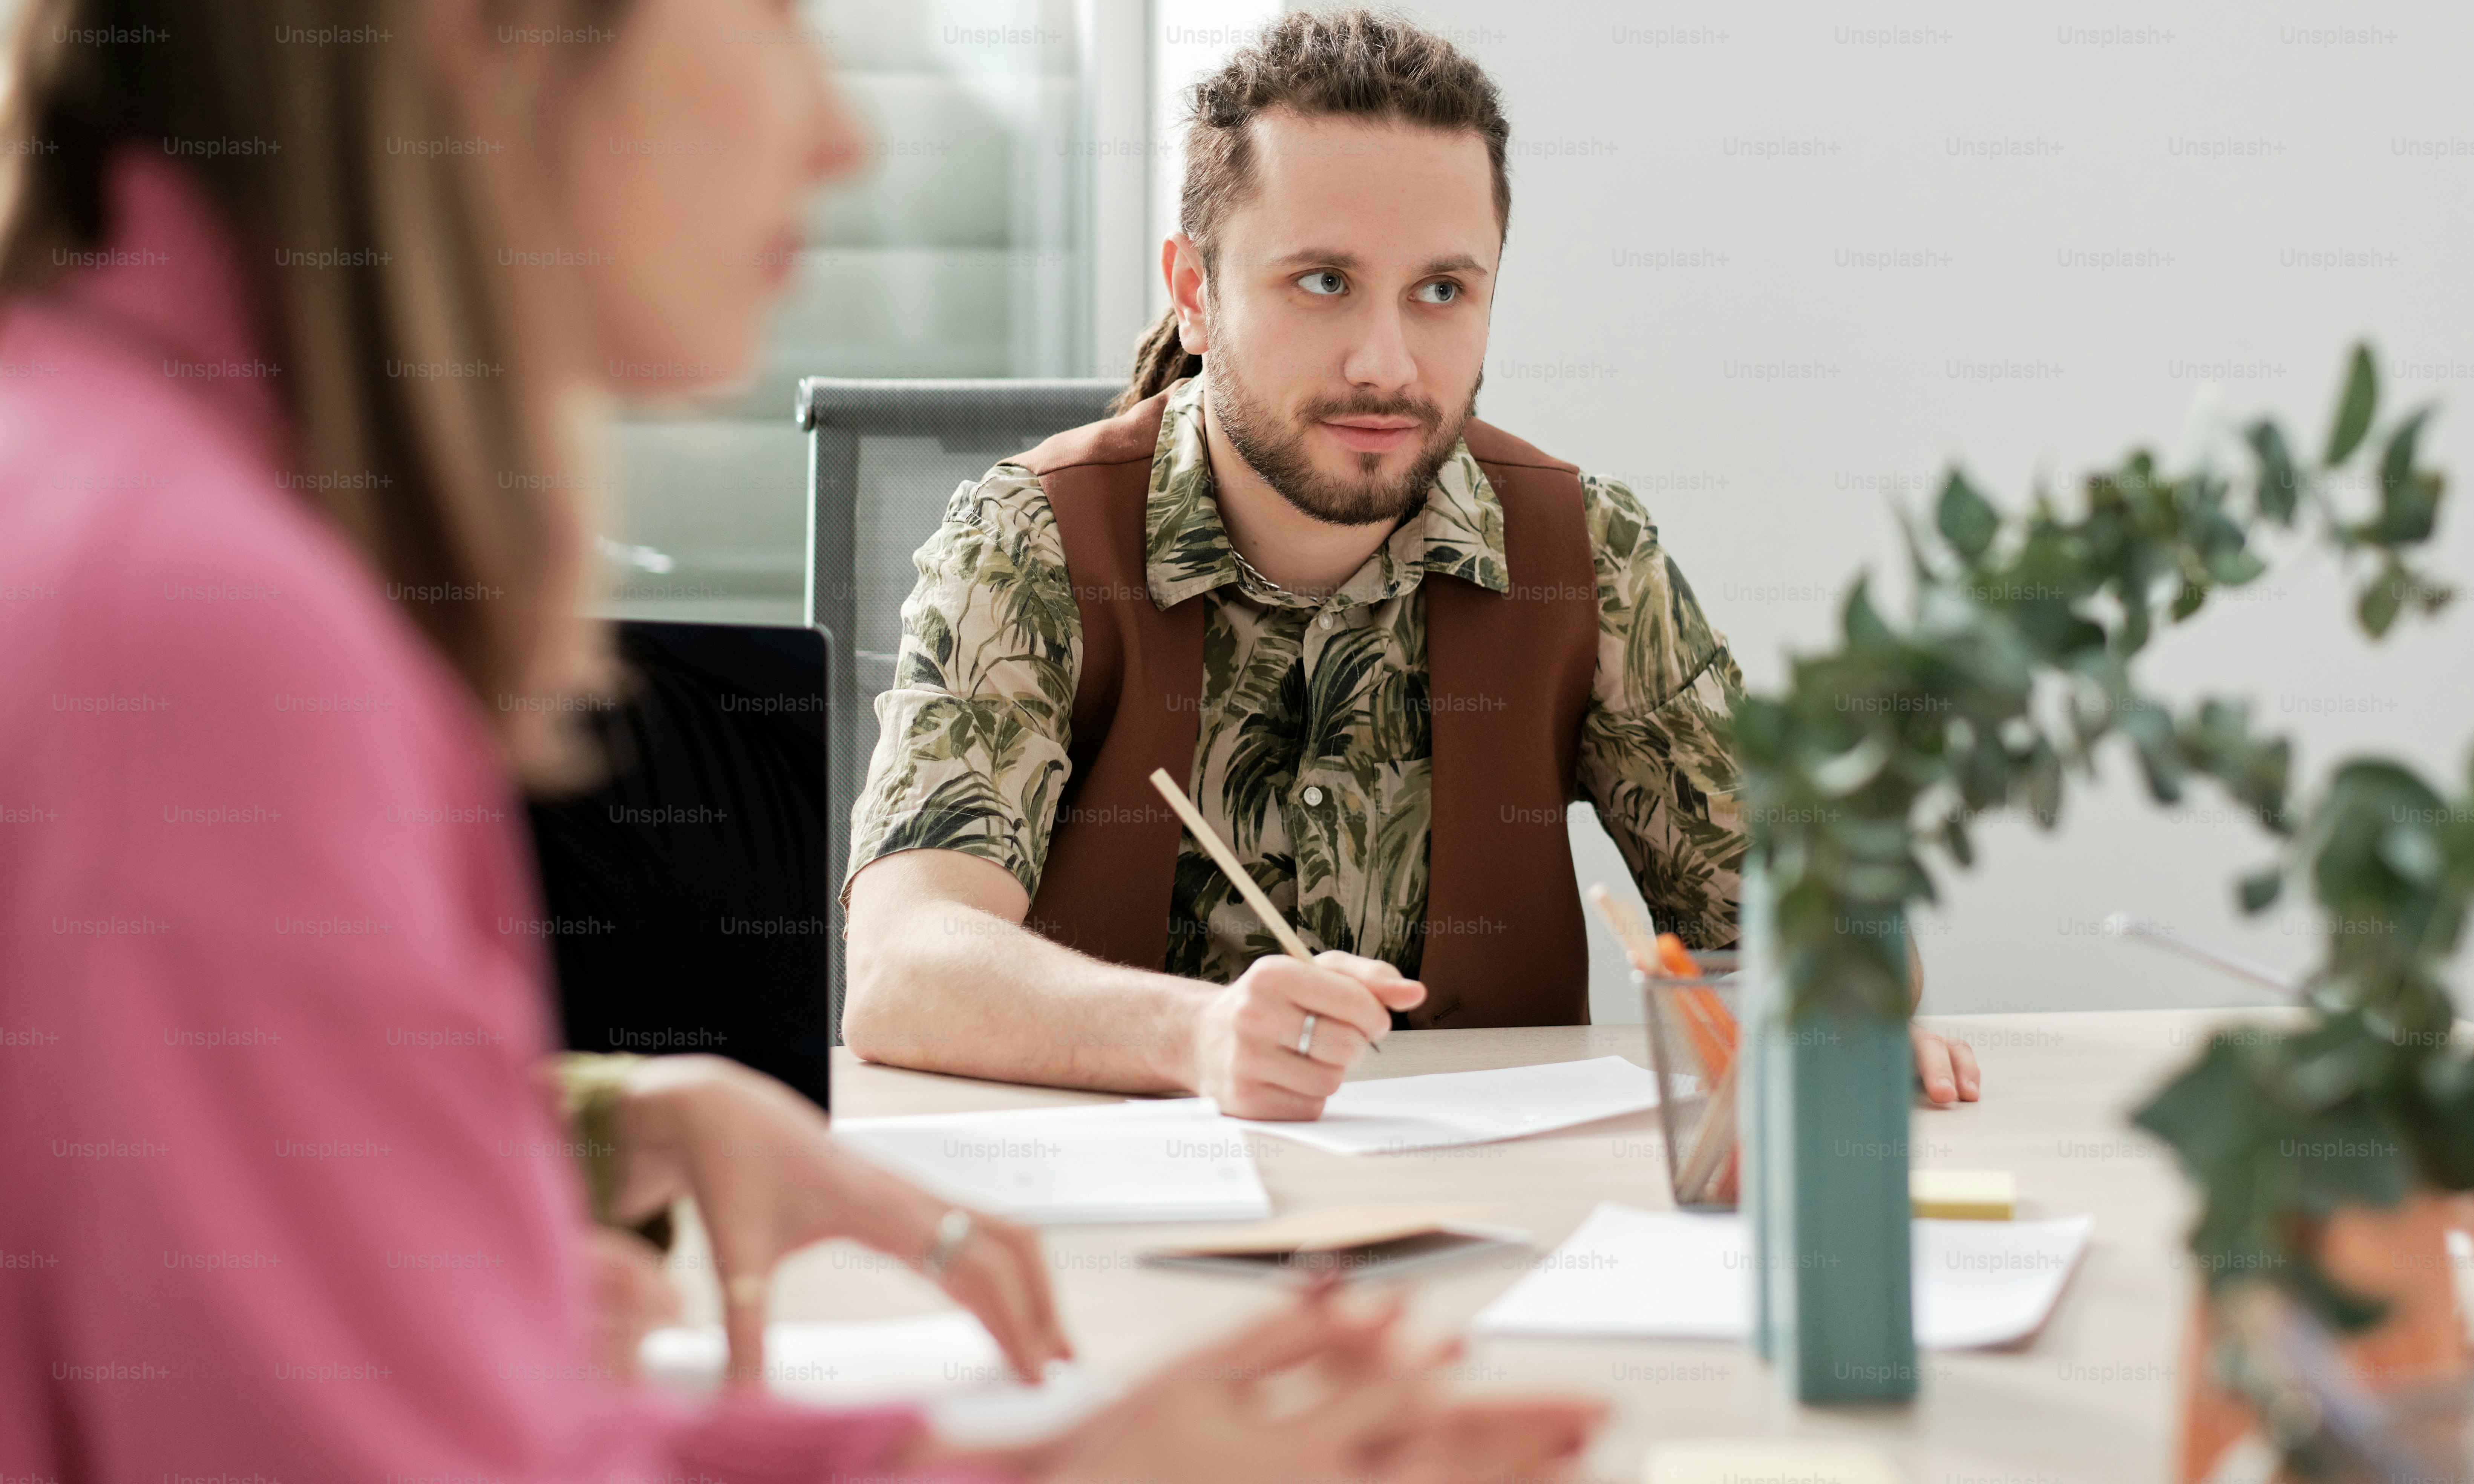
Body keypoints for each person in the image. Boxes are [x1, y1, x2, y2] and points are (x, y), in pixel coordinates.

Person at [0, 1, 1602, 1480]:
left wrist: (591, 1128)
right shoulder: (200, 637)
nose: (844, 137)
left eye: (1443, 288)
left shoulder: (112, 489)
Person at [839, 9, 1982, 1117]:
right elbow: (903, 967)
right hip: (1120, 1248)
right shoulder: (1028, 542)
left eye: (1442, 291)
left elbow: (1808, 923)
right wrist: (1193, 1037)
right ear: (1194, 292)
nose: (1388, 365)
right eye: (1324, 281)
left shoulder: (1589, 554)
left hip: (1504, 1242)